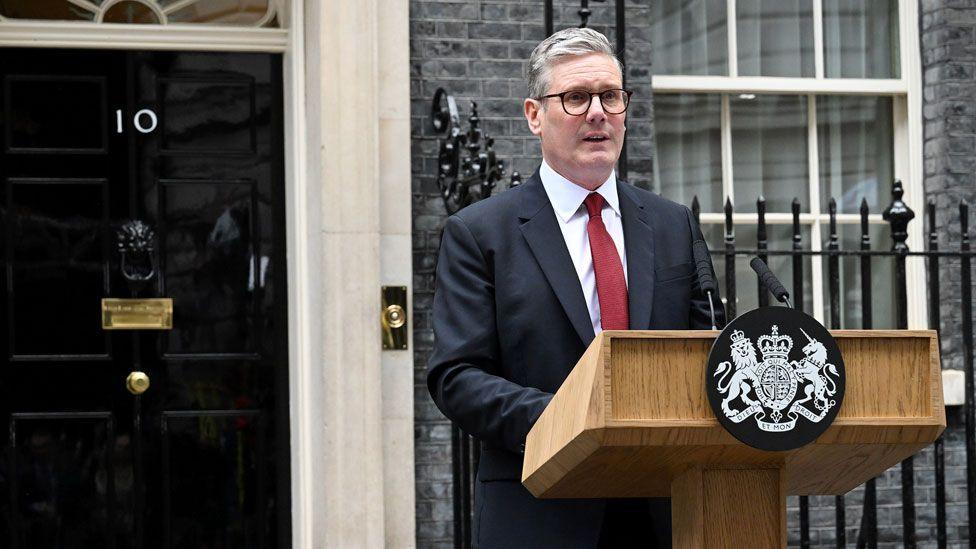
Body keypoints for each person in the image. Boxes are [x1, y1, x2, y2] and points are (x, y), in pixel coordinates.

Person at [426, 27, 723, 549]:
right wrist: (576, 422)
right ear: (534, 115)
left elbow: (706, 351)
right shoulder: (479, 233)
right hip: (541, 511)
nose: (597, 113)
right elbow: (457, 376)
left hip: (664, 511)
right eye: (576, 97)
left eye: (610, 96)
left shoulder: (673, 223)